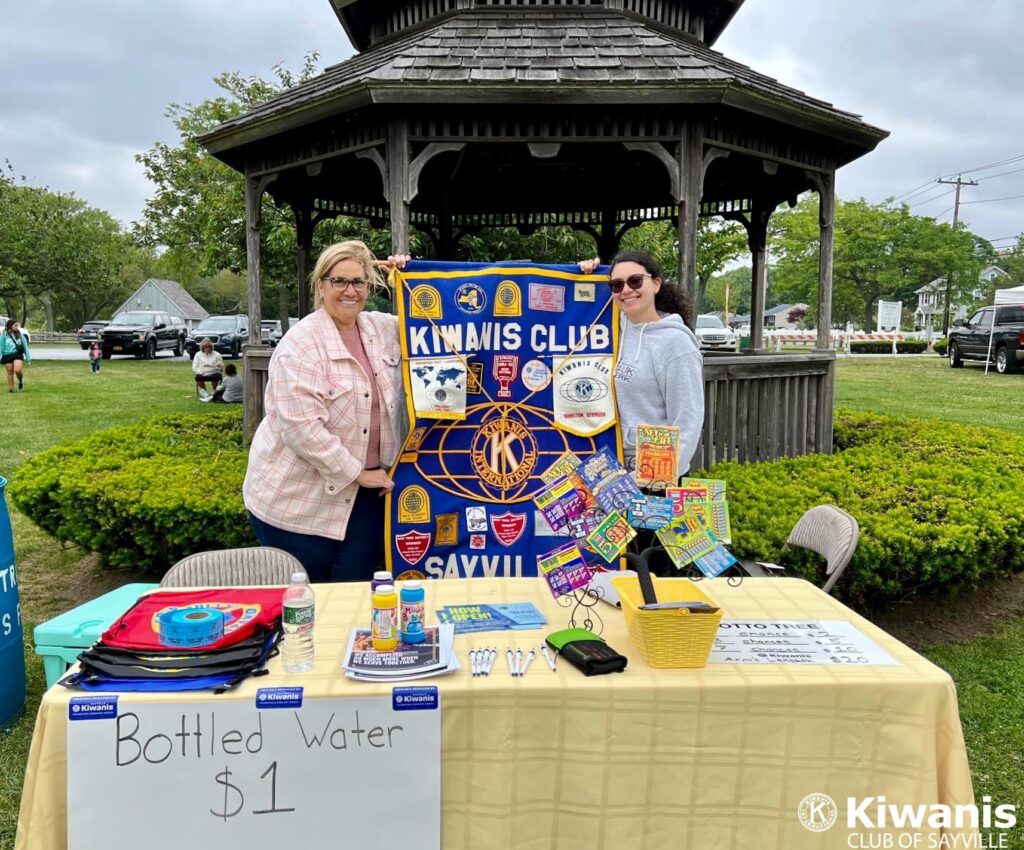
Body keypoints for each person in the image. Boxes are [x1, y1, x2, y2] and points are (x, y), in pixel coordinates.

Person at [243, 240, 410, 582]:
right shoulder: (301, 345)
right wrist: (358, 473)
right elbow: (302, 430)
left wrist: (412, 281)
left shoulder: (383, 329)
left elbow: (434, 322)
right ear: (321, 285)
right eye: (339, 281)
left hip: (366, 496)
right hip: (298, 505)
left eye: (359, 282)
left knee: (354, 591)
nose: (350, 291)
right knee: (310, 598)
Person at [580, 250, 704, 480]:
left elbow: (688, 420)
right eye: (616, 285)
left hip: (655, 473)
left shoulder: (676, 343)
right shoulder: (612, 328)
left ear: (656, 284)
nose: (626, 290)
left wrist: (651, 481)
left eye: (635, 281)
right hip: (609, 467)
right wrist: (589, 273)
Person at [1, 318, 31, 393]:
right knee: (10, 372)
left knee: (17, 370)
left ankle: (21, 382)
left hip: (17, 354)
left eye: (17, 325)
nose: (17, 326)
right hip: (7, 355)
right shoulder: (4, 335)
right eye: (15, 325)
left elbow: (25, 347)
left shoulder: (20, 335)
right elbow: (0, 347)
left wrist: (28, 358)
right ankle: (11, 389)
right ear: (10, 326)